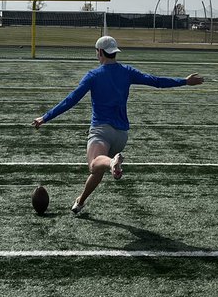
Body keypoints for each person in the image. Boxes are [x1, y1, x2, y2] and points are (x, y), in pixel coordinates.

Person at [31, 35, 204, 215]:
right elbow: (156, 81)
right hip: (121, 135)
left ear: (99, 53)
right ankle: (80, 201)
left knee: (94, 164)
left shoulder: (93, 75)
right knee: (98, 171)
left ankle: (112, 162)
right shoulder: (126, 71)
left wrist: (45, 117)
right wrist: (184, 81)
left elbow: (71, 100)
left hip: (101, 130)